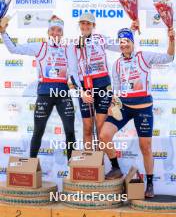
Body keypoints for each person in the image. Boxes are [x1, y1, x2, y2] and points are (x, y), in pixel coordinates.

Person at [99, 25, 175, 197]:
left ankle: (150, 184)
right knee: (104, 136)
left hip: (143, 109)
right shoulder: (117, 64)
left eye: (127, 41)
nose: (124, 45)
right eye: (121, 42)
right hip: (124, 107)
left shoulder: (143, 56)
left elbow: (169, 57)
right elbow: (116, 90)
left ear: (132, 43)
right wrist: (113, 105)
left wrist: (172, 39)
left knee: (145, 147)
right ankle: (116, 168)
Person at [0, 15, 76, 160]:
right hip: (45, 93)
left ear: (62, 33)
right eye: (52, 30)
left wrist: (81, 89)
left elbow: (73, 72)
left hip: (63, 93)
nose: (55, 33)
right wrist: (3, 32)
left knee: (70, 131)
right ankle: (31, 165)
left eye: (59, 30)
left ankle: (72, 167)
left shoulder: (68, 48)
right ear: (48, 32)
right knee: (38, 131)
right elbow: (14, 49)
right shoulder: (40, 46)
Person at [69, 12, 136, 162]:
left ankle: (98, 163)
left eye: (89, 23)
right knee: (87, 127)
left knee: (100, 127)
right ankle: (88, 162)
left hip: (103, 85)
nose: (85, 26)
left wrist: (132, 32)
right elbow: (72, 71)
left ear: (94, 26)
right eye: (83, 23)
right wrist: (81, 92)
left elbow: (121, 46)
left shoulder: (100, 39)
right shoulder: (73, 44)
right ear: (79, 25)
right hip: (85, 87)